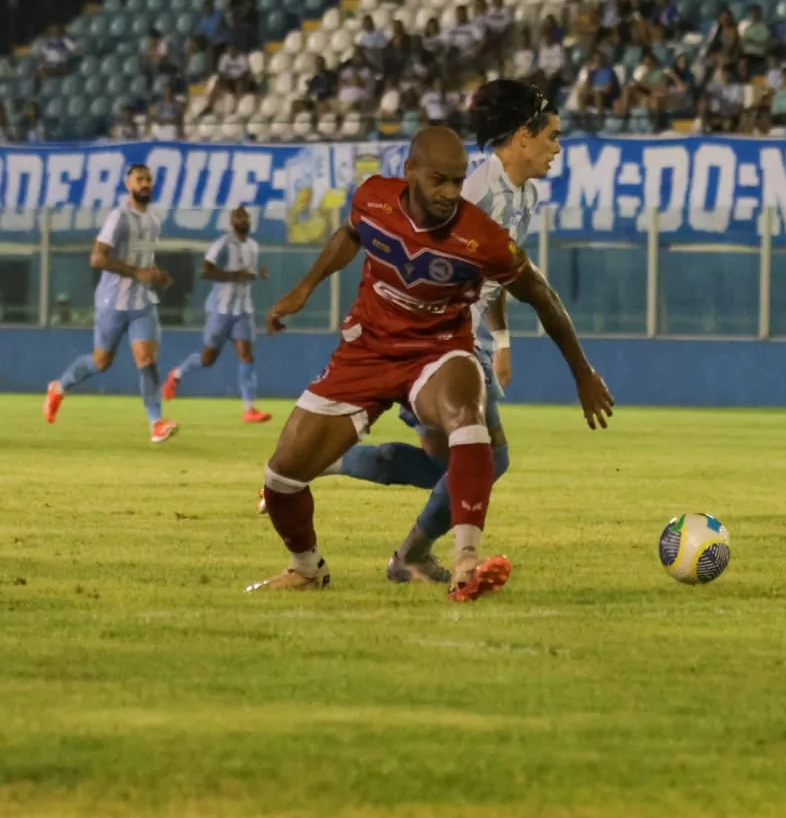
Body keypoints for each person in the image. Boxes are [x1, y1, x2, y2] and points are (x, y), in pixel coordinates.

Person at [250, 124, 614, 600]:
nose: (450, 194)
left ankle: (466, 561)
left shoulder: (482, 238)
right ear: (410, 173)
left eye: (458, 183)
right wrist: (303, 289)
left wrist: (582, 373)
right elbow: (349, 234)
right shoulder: (374, 199)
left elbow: (542, 297)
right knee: (280, 478)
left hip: (438, 351)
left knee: (468, 420)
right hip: (366, 351)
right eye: (439, 180)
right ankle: (306, 568)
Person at [310, 80, 565, 584]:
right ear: (522, 137)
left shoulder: (526, 196)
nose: (558, 147)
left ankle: (329, 466)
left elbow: (491, 275)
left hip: (469, 344)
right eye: (552, 136)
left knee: (441, 469)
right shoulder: (470, 188)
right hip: (434, 346)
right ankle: (428, 554)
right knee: (488, 459)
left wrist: (503, 343)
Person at [43, 164, 180, 443]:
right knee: (100, 362)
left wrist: (155, 275)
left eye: (149, 180)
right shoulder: (118, 218)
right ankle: (59, 387)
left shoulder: (154, 219)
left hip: (142, 302)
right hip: (112, 302)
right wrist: (138, 273)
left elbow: (142, 259)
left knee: (147, 359)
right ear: (128, 184)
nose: (145, 184)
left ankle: (156, 422)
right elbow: (97, 258)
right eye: (140, 179)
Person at [161, 206, 273, 424]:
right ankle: (176, 375)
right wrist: (233, 275)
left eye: (245, 216)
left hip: (243, 310)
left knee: (247, 356)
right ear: (232, 222)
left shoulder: (253, 246)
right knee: (207, 359)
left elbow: (247, 274)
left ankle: (249, 409)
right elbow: (205, 271)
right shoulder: (223, 244)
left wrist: (259, 274)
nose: (243, 220)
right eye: (238, 217)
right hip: (220, 310)